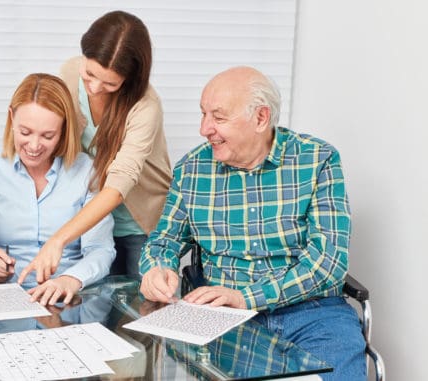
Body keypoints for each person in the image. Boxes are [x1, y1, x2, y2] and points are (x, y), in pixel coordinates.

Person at [139, 67, 366, 380]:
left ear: (261, 118)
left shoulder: (318, 160)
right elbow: (164, 241)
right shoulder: (192, 169)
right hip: (224, 318)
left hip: (313, 315)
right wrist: (155, 268)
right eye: (203, 114)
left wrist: (247, 297)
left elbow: (328, 262)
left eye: (218, 117)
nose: (204, 128)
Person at [19, 10, 172, 284]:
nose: (95, 87)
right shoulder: (69, 72)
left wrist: (59, 239)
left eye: (110, 83)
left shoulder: (145, 105)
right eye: (89, 73)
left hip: (139, 221)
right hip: (89, 222)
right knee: (94, 308)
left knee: (140, 311)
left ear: (130, 79)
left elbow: (118, 186)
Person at [0, 73, 116, 305]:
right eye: (25, 132)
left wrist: (70, 279)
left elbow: (101, 250)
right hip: (7, 302)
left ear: (63, 129)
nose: (33, 146)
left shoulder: (87, 172)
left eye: (48, 135)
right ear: (11, 118)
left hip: (70, 300)